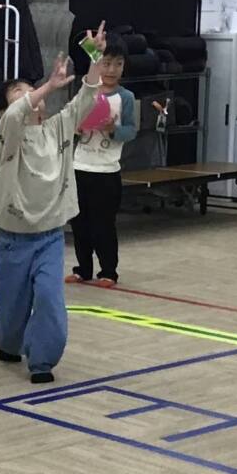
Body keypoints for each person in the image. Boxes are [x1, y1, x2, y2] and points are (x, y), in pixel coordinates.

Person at [0, 52, 99, 384]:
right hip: (14, 240)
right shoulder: (7, 137)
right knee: (11, 307)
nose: (30, 97)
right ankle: (8, 342)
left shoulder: (58, 129)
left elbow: (86, 99)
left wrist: (96, 57)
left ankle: (42, 361)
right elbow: (17, 114)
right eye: (19, 93)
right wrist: (48, 86)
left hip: (50, 238)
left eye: (32, 91)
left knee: (49, 298)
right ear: (2, 113)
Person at [67, 24, 139, 288]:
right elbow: (70, 120)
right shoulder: (87, 90)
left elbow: (131, 131)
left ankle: (108, 271)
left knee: (104, 224)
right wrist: (76, 127)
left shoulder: (126, 97)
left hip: (107, 171)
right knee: (79, 223)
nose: (111, 70)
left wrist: (112, 129)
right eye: (106, 63)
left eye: (118, 64)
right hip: (79, 167)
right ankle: (83, 269)